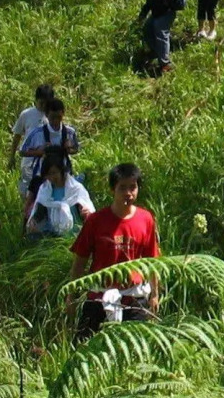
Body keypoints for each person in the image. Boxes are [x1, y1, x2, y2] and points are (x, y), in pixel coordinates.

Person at [69, 162, 160, 341]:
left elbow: (152, 261)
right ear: (113, 189)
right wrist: (71, 296)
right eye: (122, 188)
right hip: (98, 296)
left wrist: (155, 295)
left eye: (133, 187)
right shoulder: (96, 221)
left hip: (134, 297)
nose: (128, 193)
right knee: (85, 347)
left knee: (136, 348)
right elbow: (80, 260)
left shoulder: (146, 219)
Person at [23, 147, 94, 237]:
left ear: (62, 171)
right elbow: (40, 211)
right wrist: (34, 221)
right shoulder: (44, 190)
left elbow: (85, 209)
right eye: (48, 174)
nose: (51, 177)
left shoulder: (76, 189)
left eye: (54, 173)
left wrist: (85, 212)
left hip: (76, 234)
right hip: (52, 233)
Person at [19, 96, 80, 191]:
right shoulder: (37, 133)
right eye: (52, 118)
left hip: (64, 176)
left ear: (63, 113)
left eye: (59, 117)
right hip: (41, 177)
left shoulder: (69, 132)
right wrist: (39, 152)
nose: (55, 121)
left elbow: (76, 149)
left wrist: (69, 149)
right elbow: (22, 152)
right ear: (46, 115)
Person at [133, 0, 184, 74]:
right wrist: (142, 15)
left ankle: (165, 64)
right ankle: (157, 53)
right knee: (147, 29)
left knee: (161, 35)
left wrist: (163, 9)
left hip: (165, 13)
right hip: (157, 13)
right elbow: (150, 2)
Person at [8, 84, 55, 200]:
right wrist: (12, 156)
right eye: (41, 103)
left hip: (48, 160)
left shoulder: (53, 115)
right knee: (28, 191)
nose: (43, 106)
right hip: (29, 160)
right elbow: (17, 135)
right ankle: (26, 214)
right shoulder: (27, 114)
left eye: (46, 103)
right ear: (36, 100)